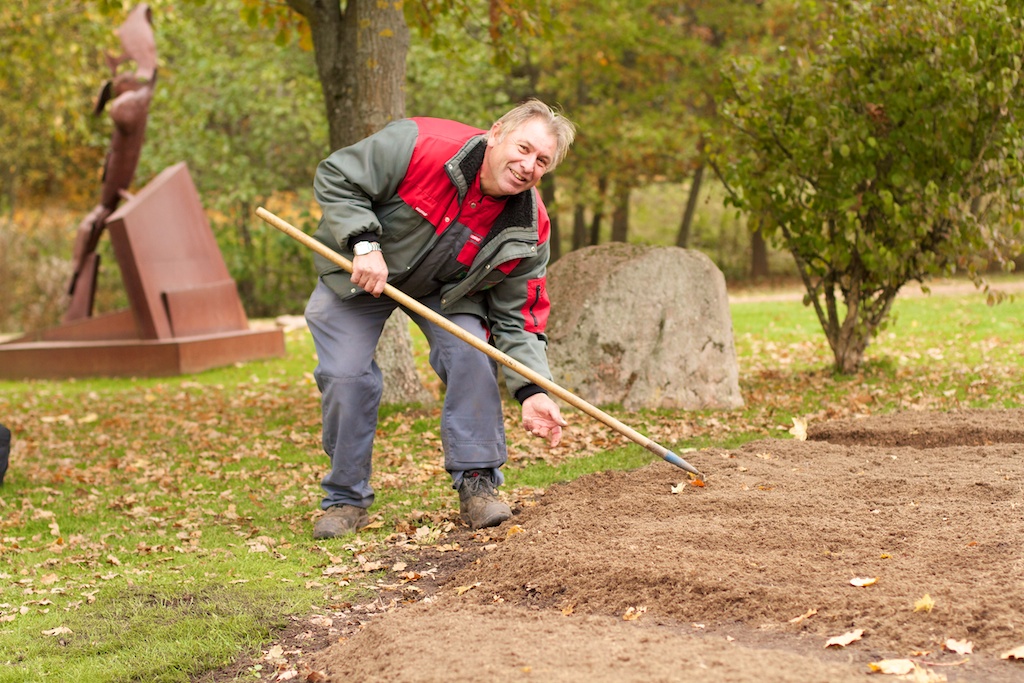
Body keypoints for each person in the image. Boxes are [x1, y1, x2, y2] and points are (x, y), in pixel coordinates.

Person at [304, 99, 576, 538]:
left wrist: (532, 388)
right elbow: (337, 175)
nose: (528, 165)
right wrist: (363, 244)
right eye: (524, 148)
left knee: (472, 353)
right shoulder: (419, 144)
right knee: (345, 375)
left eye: (541, 160)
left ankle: (477, 485)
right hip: (361, 272)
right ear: (496, 133)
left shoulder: (529, 227)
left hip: (448, 291)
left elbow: (519, 317)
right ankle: (345, 498)